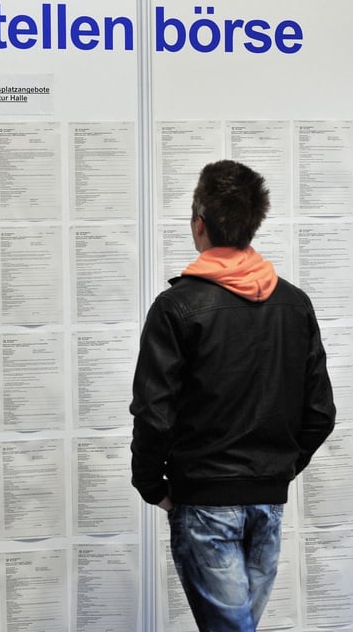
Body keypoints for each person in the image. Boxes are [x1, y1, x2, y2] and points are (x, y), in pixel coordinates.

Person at [130, 160, 336, 632]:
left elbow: (153, 412)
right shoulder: (295, 303)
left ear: (198, 224)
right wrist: (275, 469)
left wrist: (152, 485)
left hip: (204, 501)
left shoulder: (177, 307)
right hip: (267, 504)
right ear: (253, 224)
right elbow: (320, 414)